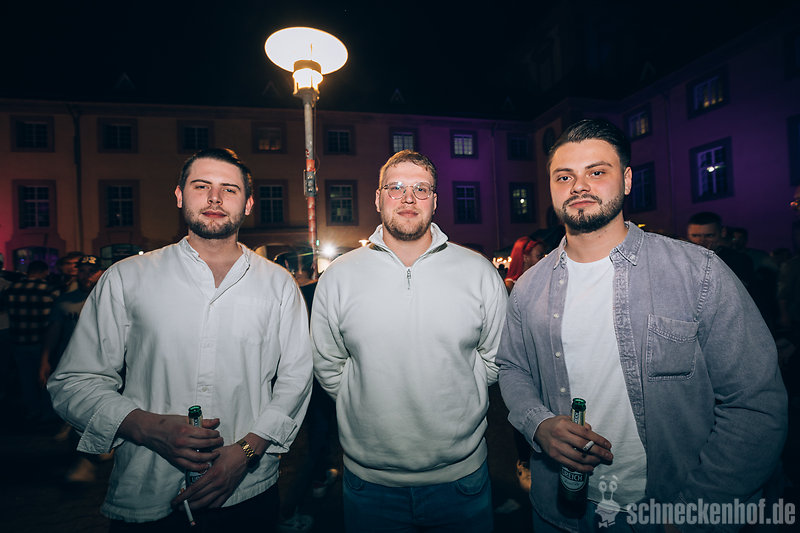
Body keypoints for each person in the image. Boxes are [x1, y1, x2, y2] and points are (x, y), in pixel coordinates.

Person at [497, 119, 787, 532]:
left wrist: (696, 511)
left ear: (628, 180)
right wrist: (538, 423)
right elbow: (512, 367)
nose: (579, 186)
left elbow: (755, 405)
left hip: (667, 511)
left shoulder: (698, 273)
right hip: (559, 512)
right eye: (564, 176)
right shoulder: (529, 287)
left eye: (597, 172)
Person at [48, 148, 313, 531]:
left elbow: (295, 379)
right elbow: (74, 381)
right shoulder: (127, 277)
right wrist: (146, 427)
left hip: (247, 490)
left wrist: (246, 450)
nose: (215, 198)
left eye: (230, 189)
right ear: (179, 195)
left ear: (249, 203)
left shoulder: (278, 285)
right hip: (148, 489)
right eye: (201, 186)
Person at [311, 150, 507, 532]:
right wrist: (366, 399)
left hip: (462, 480)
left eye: (421, 188)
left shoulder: (478, 272)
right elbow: (329, 365)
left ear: (435, 201)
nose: (408, 198)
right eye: (396, 187)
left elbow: (495, 359)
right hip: (369, 484)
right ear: (378, 198)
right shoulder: (339, 276)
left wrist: (456, 391)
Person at [5, 259, 59, 425]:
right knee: (44, 379)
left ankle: (33, 410)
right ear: (44, 272)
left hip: (19, 340)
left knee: (26, 379)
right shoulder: (49, 289)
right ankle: (47, 412)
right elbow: (54, 319)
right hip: (42, 342)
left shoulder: (12, 288)